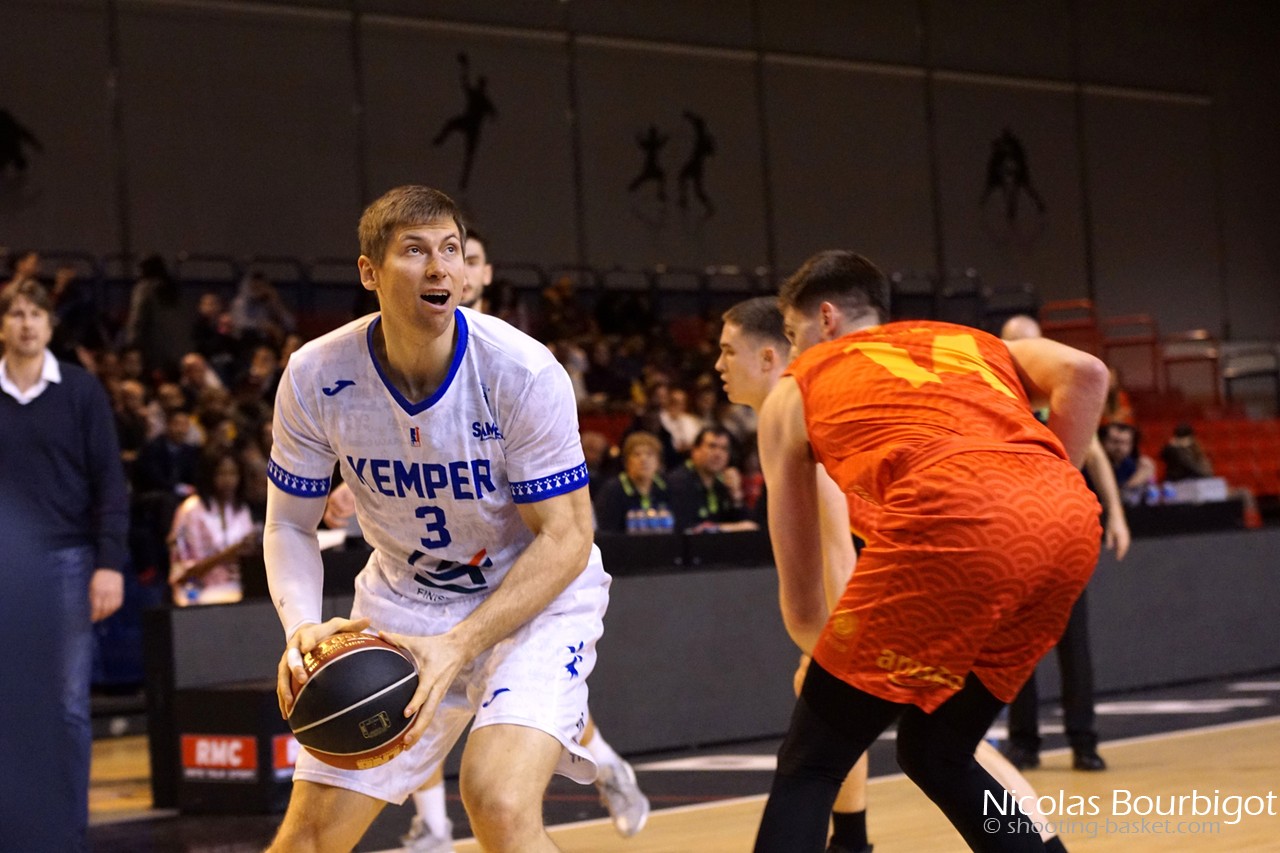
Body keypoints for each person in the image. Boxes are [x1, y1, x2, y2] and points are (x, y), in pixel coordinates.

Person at [263, 185, 609, 853]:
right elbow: (288, 526)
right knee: (307, 838)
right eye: (415, 250)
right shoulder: (315, 375)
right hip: (405, 600)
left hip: (532, 596)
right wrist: (301, 629)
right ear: (369, 272)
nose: (439, 267)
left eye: (450, 249)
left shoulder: (521, 370)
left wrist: (460, 644)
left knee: (498, 801)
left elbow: (567, 536)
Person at [752, 251, 1109, 852]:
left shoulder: (797, 387)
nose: (793, 352)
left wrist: (829, 663)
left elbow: (804, 598)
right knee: (939, 752)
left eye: (793, 334)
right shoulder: (974, 342)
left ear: (827, 318)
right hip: (1067, 517)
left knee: (811, 762)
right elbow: (1088, 371)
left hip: (951, 513)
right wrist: (1034, 495)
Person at [0, 279, 128, 852]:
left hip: (69, 562)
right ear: (2, 325)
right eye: (16, 313)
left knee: (67, 706)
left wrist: (109, 562)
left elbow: (110, 480)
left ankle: (66, 835)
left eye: (36, 313)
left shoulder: (79, 390)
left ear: (51, 325)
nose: (27, 323)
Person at [1000, 315, 1132, 774]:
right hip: (1013, 536)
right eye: (1019, 346)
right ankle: (1024, 742)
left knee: (1074, 644)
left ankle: (1084, 741)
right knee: (1014, 645)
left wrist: (1116, 515)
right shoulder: (996, 395)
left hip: (1059, 534)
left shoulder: (1060, 392)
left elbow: (1093, 452)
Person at [168, 452, 257, 606]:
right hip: (196, 593)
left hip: (239, 590)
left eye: (233, 474)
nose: (228, 480)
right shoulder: (191, 510)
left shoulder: (241, 509)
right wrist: (227, 555)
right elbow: (181, 573)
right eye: (222, 473)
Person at [666, 426, 757, 533]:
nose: (718, 454)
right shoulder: (679, 481)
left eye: (724, 449)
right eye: (712, 446)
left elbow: (749, 526)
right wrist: (724, 528)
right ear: (695, 450)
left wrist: (736, 496)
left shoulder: (722, 483)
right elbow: (687, 528)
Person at [592, 430, 674, 534]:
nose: (643, 459)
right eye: (636, 455)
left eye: (650, 454)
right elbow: (606, 532)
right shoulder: (612, 491)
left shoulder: (667, 488)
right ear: (626, 461)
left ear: (658, 462)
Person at [1099, 422, 1157, 499]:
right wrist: (1133, 482)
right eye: (1115, 442)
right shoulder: (1092, 465)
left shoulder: (1133, 464)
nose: (1119, 447)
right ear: (1102, 442)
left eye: (1125, 443)